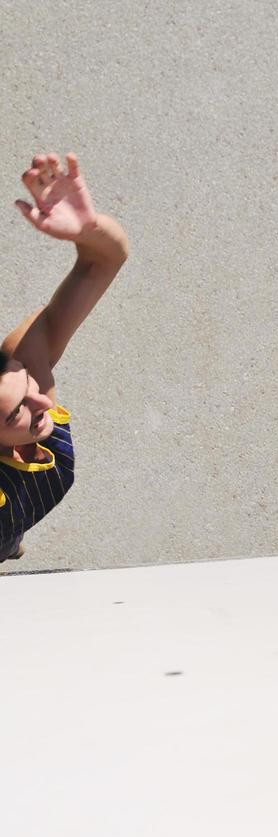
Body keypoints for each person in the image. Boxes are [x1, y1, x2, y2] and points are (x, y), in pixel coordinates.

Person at [0, 152, 128, 562]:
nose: (42, 403)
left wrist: (88, 231)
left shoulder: (22, 365)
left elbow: (103, 261)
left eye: (29, 389)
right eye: (13, 413)